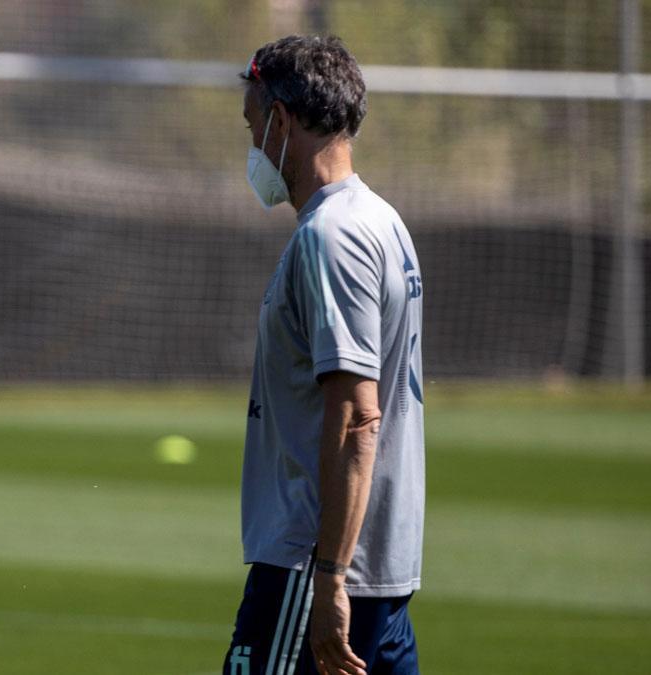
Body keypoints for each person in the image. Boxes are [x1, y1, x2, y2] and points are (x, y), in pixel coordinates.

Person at [223, 36, 425, 675]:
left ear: (281, 119)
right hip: (375, 574)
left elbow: (358, 416)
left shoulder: (330, 236)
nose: (254, 145)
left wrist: (331, 578)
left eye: (254, 125)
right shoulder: (382, 220)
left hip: (313, 568)